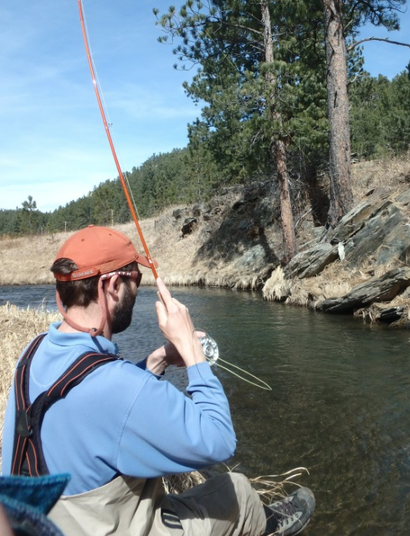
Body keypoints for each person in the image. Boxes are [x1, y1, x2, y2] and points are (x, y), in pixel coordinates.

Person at [2, 225, 315, 536]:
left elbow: (92, 400)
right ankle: (269, 526)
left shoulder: (33, 351)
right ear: (112, 286)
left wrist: (158, 360)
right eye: (136, 279)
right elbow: (219, 441)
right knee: (238, 492)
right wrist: (192, 352)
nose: (137, 289)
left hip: (48, 524)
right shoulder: (118, 386)